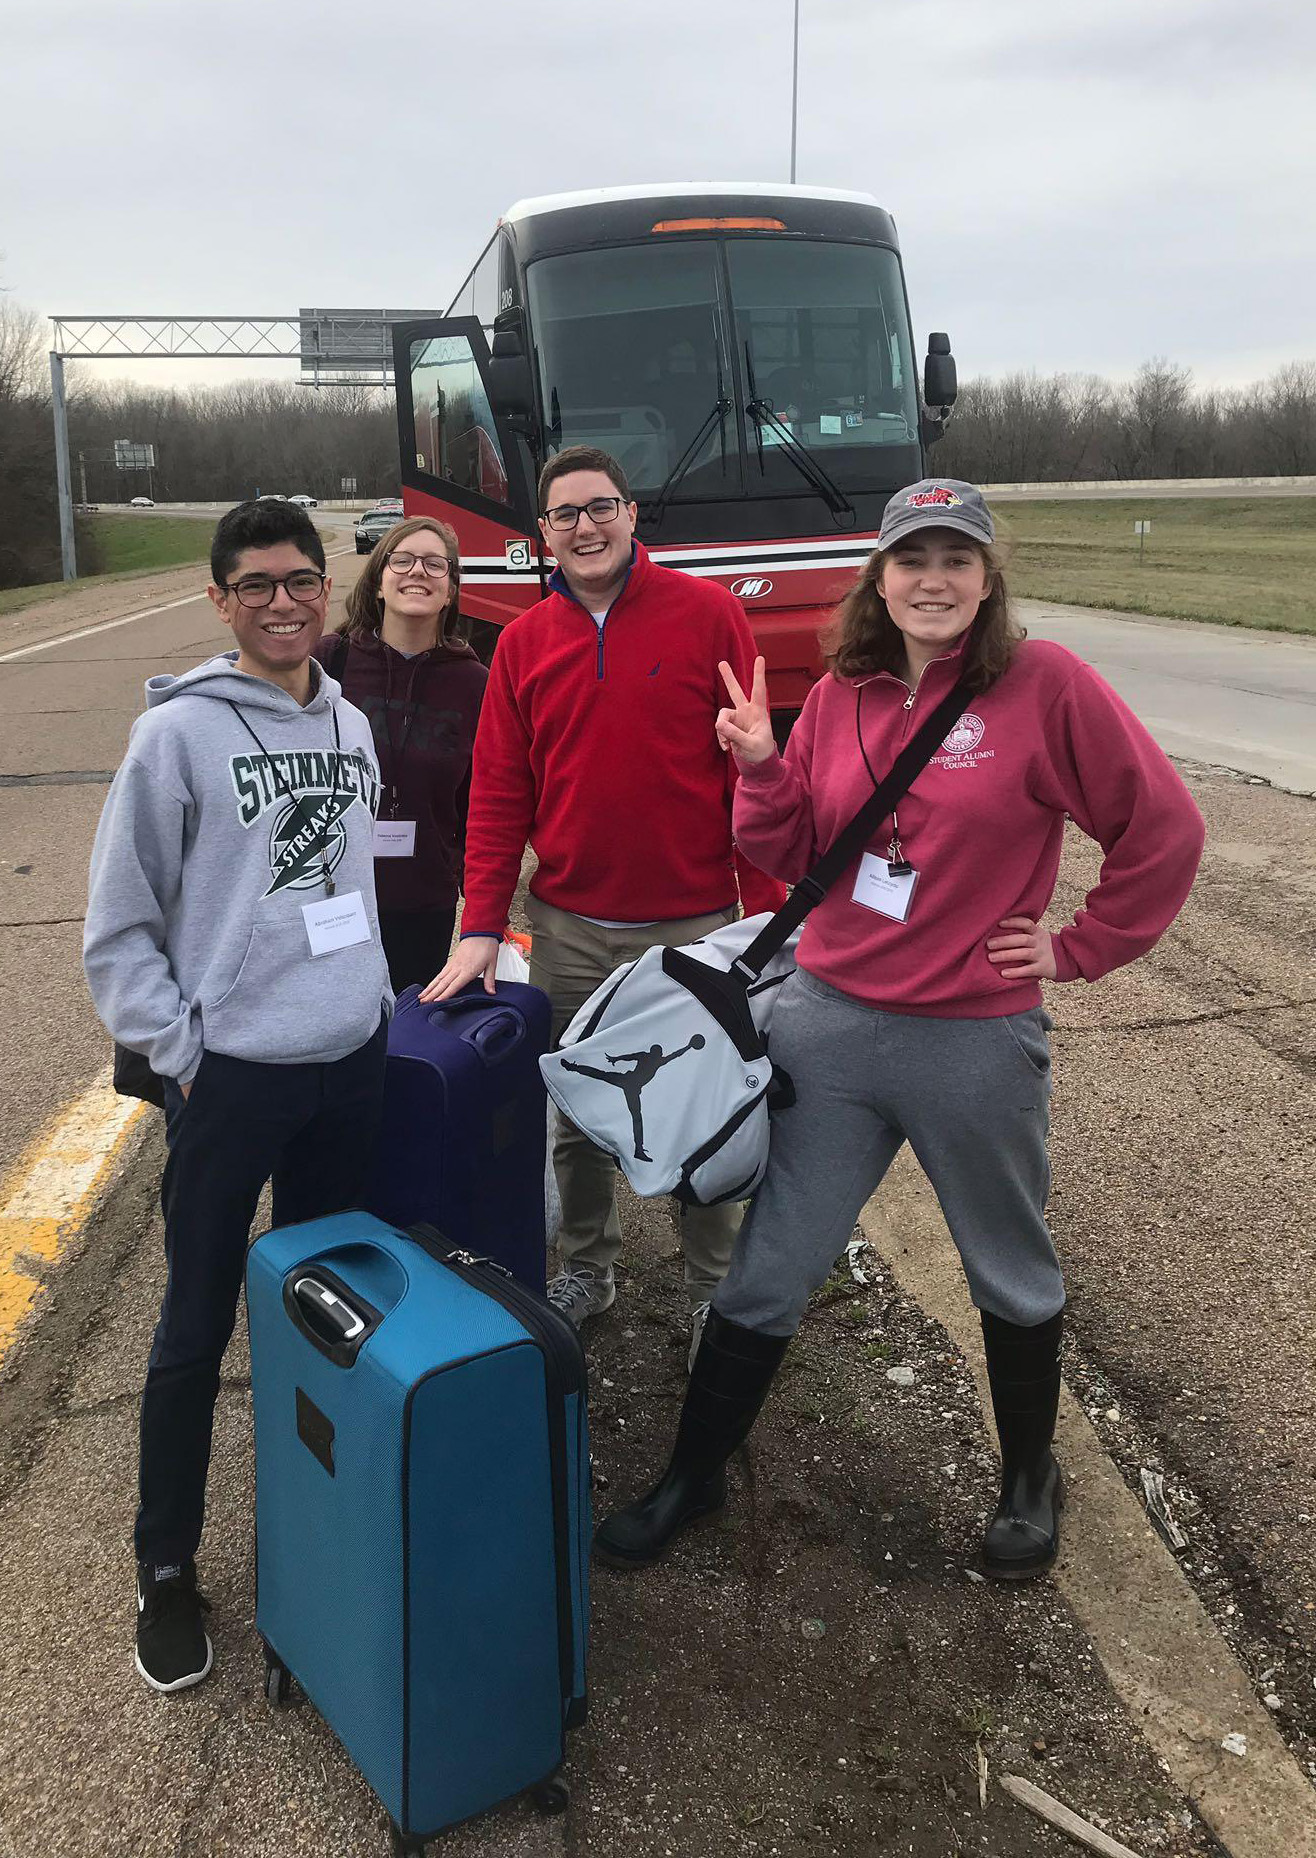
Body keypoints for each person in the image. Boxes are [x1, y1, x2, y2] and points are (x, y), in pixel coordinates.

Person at [594, 477, 1206, 1580]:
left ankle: (1028, 1476)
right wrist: (760, 764)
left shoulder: (1043, 685)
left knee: (1005, 1265)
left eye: (955, 560)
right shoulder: (842, 690)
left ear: (986, 578)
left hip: (970, 1041)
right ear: (877, 575)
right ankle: (690, 1475)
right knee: (769, 1266)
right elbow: (788, 851)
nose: (932, 579)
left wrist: (1076, 947)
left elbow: (1160, 828)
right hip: (827, 1027)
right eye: (910, 559)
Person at [83, 498, 391, 1693]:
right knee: (194, 1320)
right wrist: (186, 1050)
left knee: (324, 1315)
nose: (281, 601)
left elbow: (350, 887)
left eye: (300, 580)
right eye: (255, 583)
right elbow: (118, 930)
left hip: (346, 1066)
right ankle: (165, 1563)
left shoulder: (353, 725)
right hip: (234, 1079)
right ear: (219, 599)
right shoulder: (176, 739)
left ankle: (315, 1533)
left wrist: (370, 997)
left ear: (328, 592)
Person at [422, 445, 784, 1358]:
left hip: (696, 925)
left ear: (631, 516)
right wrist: (477, 926)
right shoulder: (523, 646)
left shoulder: (707, 618)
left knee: (706, 1108)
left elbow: (754, 774)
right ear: (542, 534)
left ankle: (715, 1286)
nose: (585, 526)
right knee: (578, 1104)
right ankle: (589, 1262)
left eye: (601, 507)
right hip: (571, 926)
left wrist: (776, 918)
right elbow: (499, 794)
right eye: (565, 514)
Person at [313, 516, 487, 991]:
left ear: (450, 591)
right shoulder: (328, 663)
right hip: (332, 893)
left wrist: (482, 910)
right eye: (403, 560)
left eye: (436, 565)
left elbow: (478, 805)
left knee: (406, 1042)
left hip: (423, 900)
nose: (418, 573)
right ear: (379, 584)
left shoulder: (474, 684)